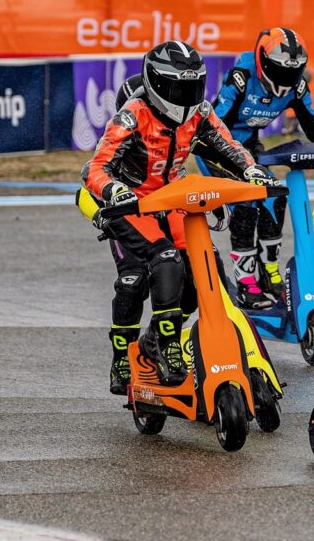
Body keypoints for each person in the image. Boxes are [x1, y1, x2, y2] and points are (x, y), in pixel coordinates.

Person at [82, 40, 274, 389]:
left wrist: (251, 170)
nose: (186, 96)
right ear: (155, 84)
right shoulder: (133, 114)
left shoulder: (200, 111)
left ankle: (157, 337)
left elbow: (227, 144)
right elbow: (94, 168)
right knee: (150, 270)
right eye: (178, 87)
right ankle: (132, 355)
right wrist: (113, 190)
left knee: (206, 268)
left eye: (192, 86)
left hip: (171, 199)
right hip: (133, 205)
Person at [200, 27, 314, 310]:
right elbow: (214, 124)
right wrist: (237, 160)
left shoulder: (296, 86)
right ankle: (247, 283)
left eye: (291, 72)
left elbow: (312, 122)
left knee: (276, 196)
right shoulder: (241, 77)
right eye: (279, 70)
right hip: (218, 147)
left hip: (250, 145)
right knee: (246, 202)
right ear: (262, 61)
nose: (285, 79)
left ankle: (269, 271)